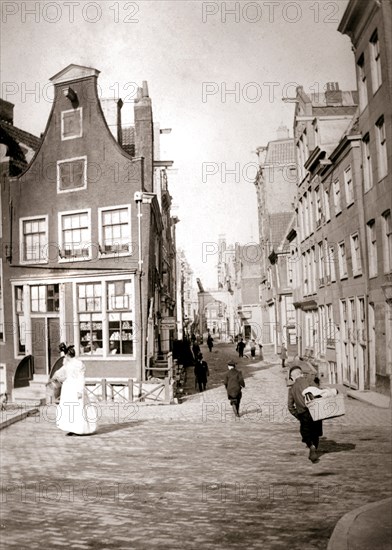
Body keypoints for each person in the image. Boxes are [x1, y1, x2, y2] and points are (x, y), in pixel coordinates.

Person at [52, 343, 97, 436]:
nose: (65, 357)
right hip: (68, 388)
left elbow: (81, 378)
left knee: (78, 407)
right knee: (69, 408)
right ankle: (72, 427)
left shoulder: (78, 364)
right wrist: (56, 377)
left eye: (65, 355)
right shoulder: (67, 363)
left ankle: (80, 428)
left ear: (67, 354)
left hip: (75, 387)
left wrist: (80, 391)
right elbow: (60, 372)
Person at [287, 365, 322, 463]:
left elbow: (290, 406)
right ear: (301, 374)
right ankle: (314, 447)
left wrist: (298, 415)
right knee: (315, 432)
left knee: (305, 433)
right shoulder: (310, 381)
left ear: (293, 377)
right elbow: (319, 393)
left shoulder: (292, 389)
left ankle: (311, 446)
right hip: (315, 410)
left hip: (303, 413)